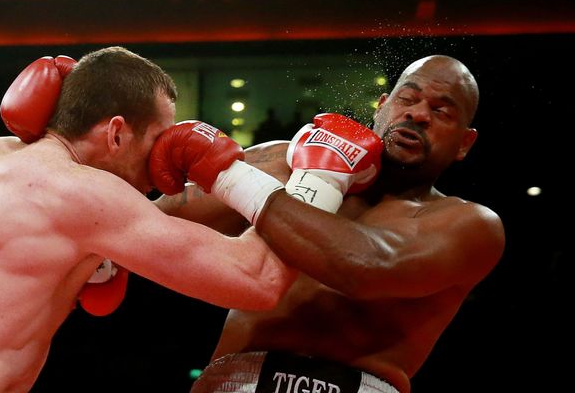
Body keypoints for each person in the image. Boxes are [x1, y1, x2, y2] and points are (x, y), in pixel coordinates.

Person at [0, 46, 299, 393]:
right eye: (157, 139)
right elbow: (257, 281)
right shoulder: (81, 192)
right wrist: (318, 178)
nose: (161, 160)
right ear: (116, 133)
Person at [152, 55, 505, 393]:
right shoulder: (292, 161)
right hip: (235, 378)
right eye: (407, 98)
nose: (418, 114)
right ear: (381, 106)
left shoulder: (469, 224)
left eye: (440, 111)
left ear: (464, 142)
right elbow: (154, 222)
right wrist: (104, 255)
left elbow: (367, 266)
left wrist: (231, 176)